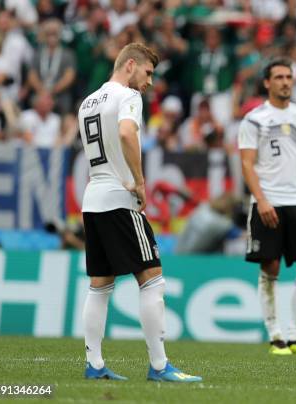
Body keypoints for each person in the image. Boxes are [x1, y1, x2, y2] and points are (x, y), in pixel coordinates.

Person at [77, 43, 202, 383]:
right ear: (130, 65)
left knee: (100, 285)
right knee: (152, 278)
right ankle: (160, 367)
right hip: (120, 196)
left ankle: (94, 364)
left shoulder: (88, 101)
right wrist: (140, 181)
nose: (149, 82)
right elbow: (126, 132)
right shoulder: (129, 98)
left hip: (93, 198)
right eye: (147, 72)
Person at [238, 58, 296, 356]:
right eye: (278, 77)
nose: (285, 82)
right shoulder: (254, 119)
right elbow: (247, 163)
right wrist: (262, 200)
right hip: (269, 201)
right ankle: (275, 335)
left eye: (289, 77)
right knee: (271, 265)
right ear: (267, 83)